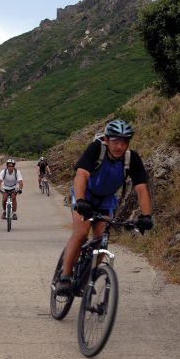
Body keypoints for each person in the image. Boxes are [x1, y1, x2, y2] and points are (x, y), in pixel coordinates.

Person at [56, 119, 153, 293]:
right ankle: (65, 277)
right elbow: (81, 175)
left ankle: (87, 280)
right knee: (81, 232)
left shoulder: (132, 158)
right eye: (115, 141)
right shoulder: (96, 149)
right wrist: (80, 201)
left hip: (106, 201)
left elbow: (141, 188)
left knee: (102, 240)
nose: (119, 146)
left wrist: (146, 216)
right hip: (84, 195)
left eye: (124, 142)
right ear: (107, 140)